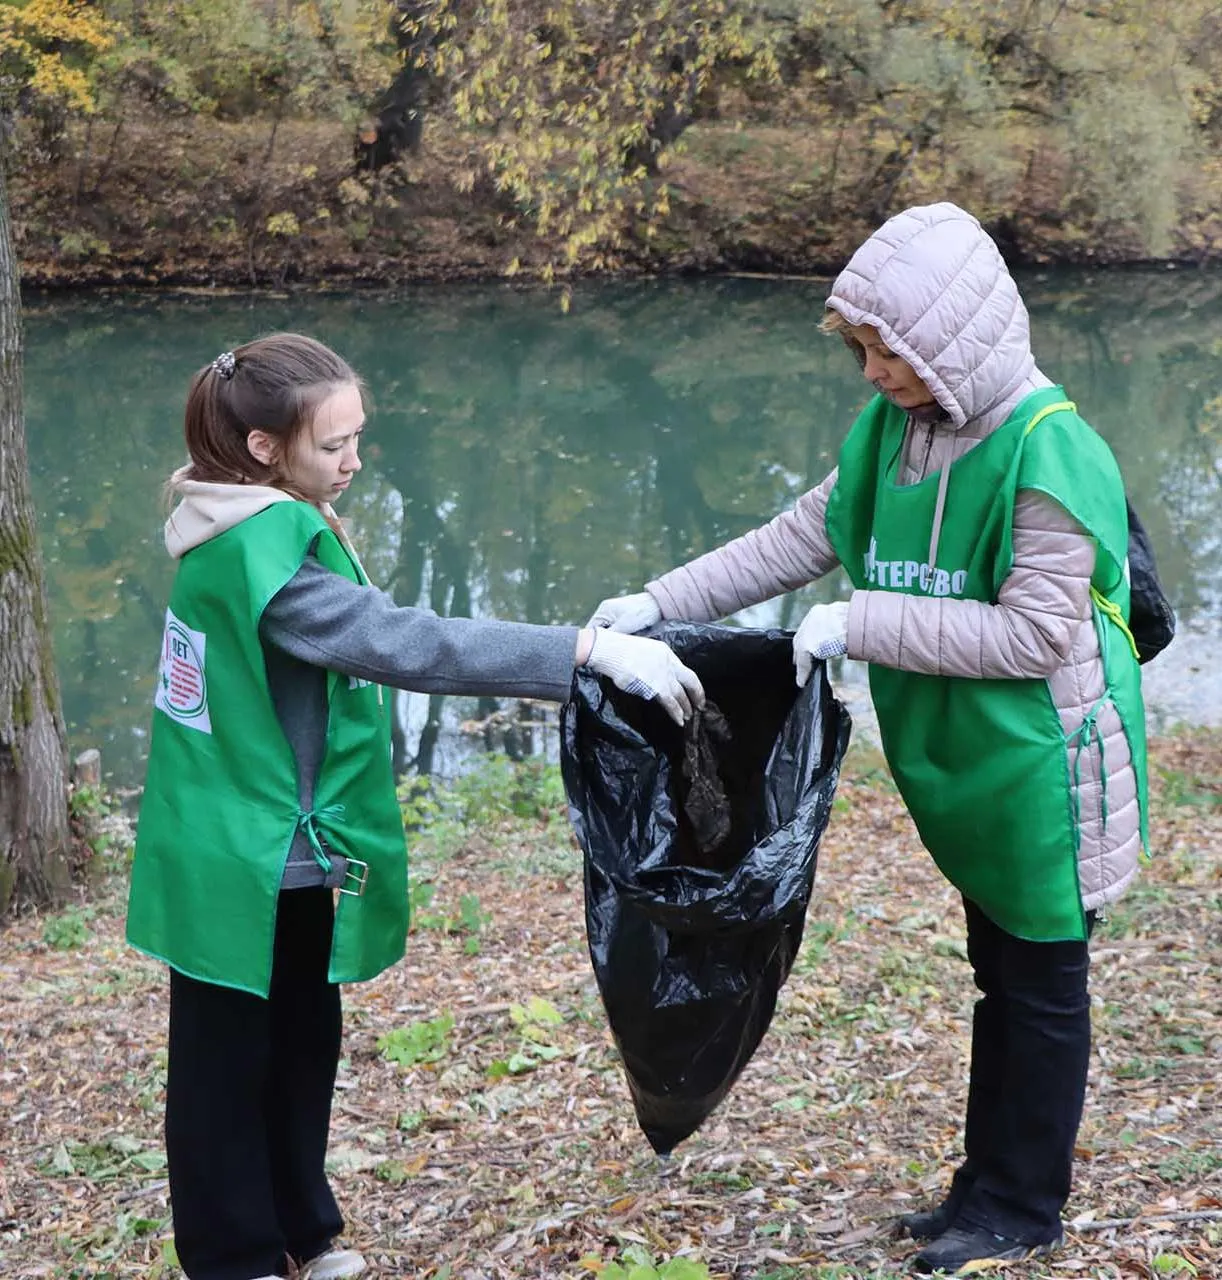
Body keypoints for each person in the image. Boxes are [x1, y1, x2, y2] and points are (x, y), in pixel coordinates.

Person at [589, 202, 1147, 1274]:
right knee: (1000, 971)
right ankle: (981, 1187)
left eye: (888, 349)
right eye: (861, 349)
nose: (871, 372)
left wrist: (862, 621)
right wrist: (657, 600)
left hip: (1044, 758)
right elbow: (801, 534)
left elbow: (1037, 632)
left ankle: (1020, 1205)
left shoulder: (1049, 449)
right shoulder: (895, 433)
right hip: (964, 757)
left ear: (955, 335)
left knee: (1037, 982)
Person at [126, 332, 705, 1280]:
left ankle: (304, 1230)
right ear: (266, 447)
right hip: (246, 856)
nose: (354, 463)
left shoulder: (249, 512)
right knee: (226, 1067)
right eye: (333, 446)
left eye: (360, 439)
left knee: (302, 1043)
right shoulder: (262, 545)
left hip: (266, 844)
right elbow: (405, 644)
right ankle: (237, 1257)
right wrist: (584, 653)